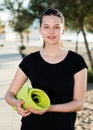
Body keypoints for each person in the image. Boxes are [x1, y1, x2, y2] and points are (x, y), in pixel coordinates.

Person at [5, 8, 88, 130]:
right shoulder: (30, 60)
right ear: (40, 30)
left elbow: (79, 103)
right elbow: (9, 95)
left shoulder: (76, 61)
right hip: (31, 125)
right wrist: (17, 103)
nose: (51, 31)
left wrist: (49, 108)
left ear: (63, 30)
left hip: (63, 126)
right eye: (46, 27)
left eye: (56, 27)